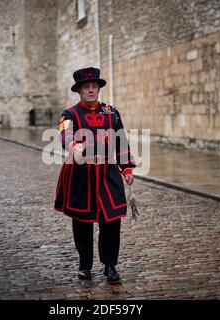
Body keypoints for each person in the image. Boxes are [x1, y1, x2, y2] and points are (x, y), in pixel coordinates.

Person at [54, 67, 135, 283]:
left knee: (111, 220)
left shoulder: (111, 112)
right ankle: (85, 265)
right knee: (82, 221)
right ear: (79, 91)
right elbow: (65, 133)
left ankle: (110, 265)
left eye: (94, 86)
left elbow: (121, 139)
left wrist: (126, 167)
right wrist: (73, 145)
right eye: (86, 87)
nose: (91, 90)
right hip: (81, 173)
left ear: (98, 89)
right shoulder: (69, 114)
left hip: (108, 173)